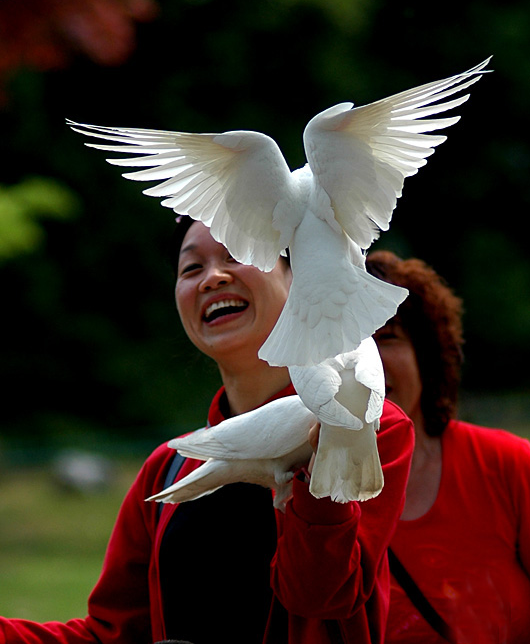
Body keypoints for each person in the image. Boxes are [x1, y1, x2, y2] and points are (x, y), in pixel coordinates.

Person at [0, 219, 414, 644]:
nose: (213, 277)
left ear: (300, 276)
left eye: (238, 253)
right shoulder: (168, 467)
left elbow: (321, 597)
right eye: (191, 268)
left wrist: (317, 481)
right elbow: (113, 635)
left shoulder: (372, 426)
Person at [365, 250, 530, 644]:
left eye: (386, 338)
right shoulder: (304, 496)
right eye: (349, 343)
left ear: (427, 355)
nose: (366, 364)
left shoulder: (509, 466)